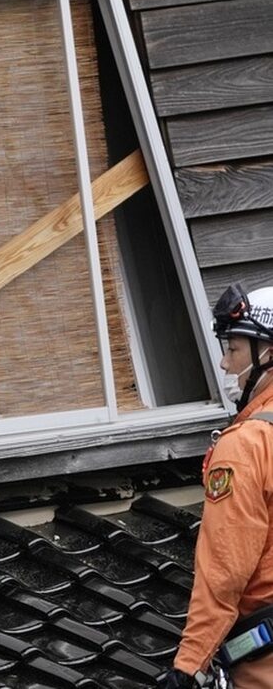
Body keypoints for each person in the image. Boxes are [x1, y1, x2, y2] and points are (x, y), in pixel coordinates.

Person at [158, 284, 273, 688]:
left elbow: (224, 573)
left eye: (234, 349)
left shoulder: (245, 446)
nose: (225, 364)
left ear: (268, 353)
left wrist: (189, 664)